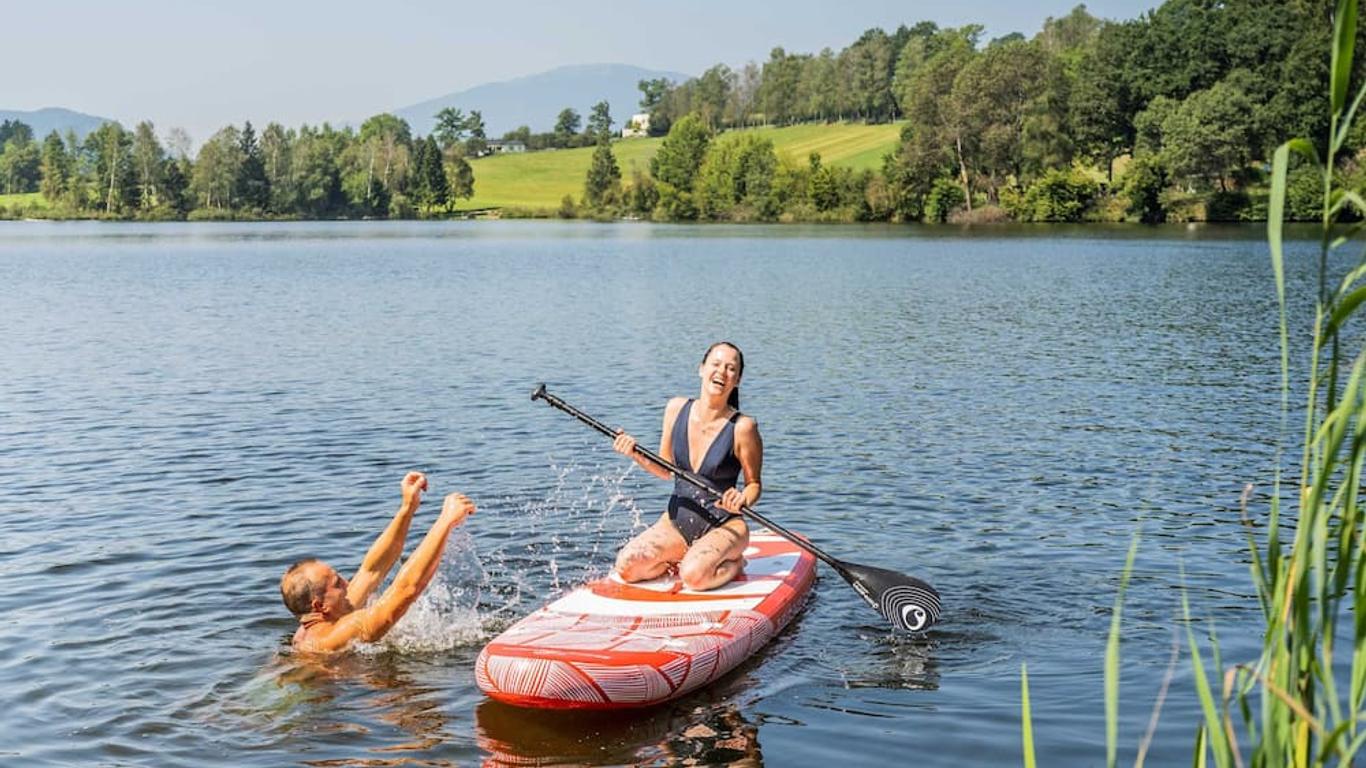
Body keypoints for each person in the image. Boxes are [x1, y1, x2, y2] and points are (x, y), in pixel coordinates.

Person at [611, 341, 763, 591]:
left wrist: (742, 498)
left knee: (693, 577)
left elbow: (754, 485)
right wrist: (634, 453)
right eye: (716, 364)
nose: (722, 372)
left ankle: (735, 562)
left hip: (724, 525)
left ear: (737, 380)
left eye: (731, 368)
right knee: (628, 566)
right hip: (676, 522)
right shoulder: (675, 408)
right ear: (701, 369)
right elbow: (665, 469)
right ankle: (685, 555)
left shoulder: (743, 427)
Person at [280, 471, 475, 653]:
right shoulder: (336, 636)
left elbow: (371, 571)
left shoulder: (325, 618)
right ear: (319, 606)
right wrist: (445, 521)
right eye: (337, 584)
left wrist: (408, 508)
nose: (348, 584)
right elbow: (406, 591)